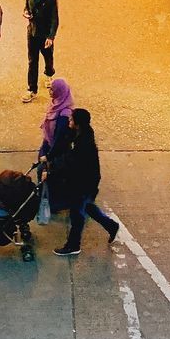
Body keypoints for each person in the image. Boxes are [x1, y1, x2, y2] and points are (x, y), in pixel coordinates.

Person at [49, 108, 120, 254]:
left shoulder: (84, 144)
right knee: (86, 207)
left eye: (71, 119)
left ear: (78, 124)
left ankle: (73, 245)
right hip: (86, 182)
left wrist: (51, 171)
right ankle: (111, 225)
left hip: (83, 183)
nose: (69, 121)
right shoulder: (82, 134)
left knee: (77, 214)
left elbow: (70, 162)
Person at [23, 0, 59, 101]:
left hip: (44, 35)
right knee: (32, 61)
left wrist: (51, 37)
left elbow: (55, 19)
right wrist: (26, 13)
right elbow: (26, 8)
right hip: (32, 33)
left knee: (48, 57)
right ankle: (32, 89)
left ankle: (49, 73)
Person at [38, 77, 74, 158]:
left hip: (57, 152)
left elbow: (59, 139)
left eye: (52, 89)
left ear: (59, 91)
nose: (49, 91)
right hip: (49, 143)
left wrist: (48, 156)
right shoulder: (56, 103)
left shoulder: (64, 115)